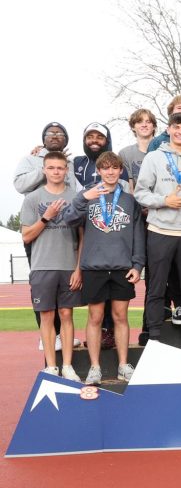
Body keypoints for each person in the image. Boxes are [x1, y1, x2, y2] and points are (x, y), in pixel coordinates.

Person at [64, 152, 145, 384]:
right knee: (95, 317)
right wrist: (83, 198)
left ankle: (122, 365)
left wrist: (138, 265)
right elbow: (68, 219)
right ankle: (95, 367)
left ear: (121, 171)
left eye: (114, 168)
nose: (110, 172)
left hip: (121, 267)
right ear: (98, 171)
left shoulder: (129, 201)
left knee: (120, 316)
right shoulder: (87, 195)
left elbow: (138, 235)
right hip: (94, 267)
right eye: (105, 168)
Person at [134, 112, 181, 353]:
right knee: (156, 286)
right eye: (176, 128)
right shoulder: (154, 157)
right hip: (160, 229)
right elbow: (140, 193)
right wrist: (165, 200)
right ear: (169, 129)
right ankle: (154, 335)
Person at [13, 122, 79, 350]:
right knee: (42, 288)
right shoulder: (30, 159)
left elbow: (76, 193)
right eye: (50, 133)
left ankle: (61, 335)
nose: (55, 136)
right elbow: (20, 185)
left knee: (65, 297)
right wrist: (44, 164)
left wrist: (61, 166)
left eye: (60, 134)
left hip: (64, 236)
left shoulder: (69, 163)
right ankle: (48, 334)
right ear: (43, 138)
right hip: (38, 229)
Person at [21, 151, 81, 381]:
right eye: (52, 168)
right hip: (42, 266)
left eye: (60, 168)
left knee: (66, 314)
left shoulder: (75, 197)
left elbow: (83, 236)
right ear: (44, 170)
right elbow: (26, 236)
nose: (56, 172)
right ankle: (51, 366)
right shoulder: (33, 199)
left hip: (68, 265)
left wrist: (79, 268)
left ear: (66, 170)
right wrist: (46, 217)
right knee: (46, 316)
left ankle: (67, 365)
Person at [118, 109, 158, 187]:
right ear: (133, 127)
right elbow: (128, 187)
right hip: (136, 198)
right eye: (139, 122)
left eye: (148, 122)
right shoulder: (125, 154)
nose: (144, 125)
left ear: (154, 127)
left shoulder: (164, 150)